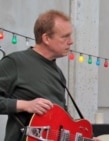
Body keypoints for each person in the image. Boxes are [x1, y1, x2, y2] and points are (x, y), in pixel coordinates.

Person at [0, 10, 99, 141]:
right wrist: (25, 105)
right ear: (46, 38)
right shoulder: (14, 62)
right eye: (65, 36)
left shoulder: (58, 73)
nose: (71, 42)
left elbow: (62, 124)